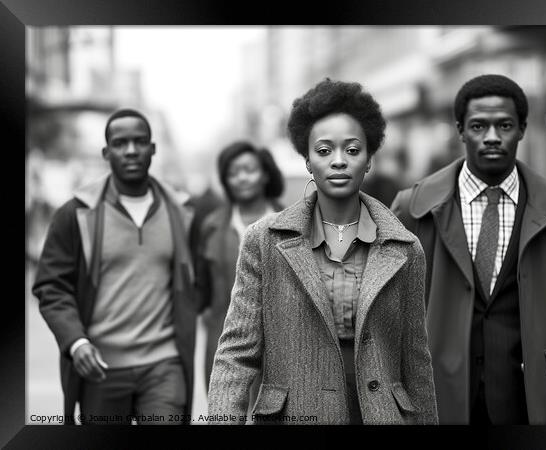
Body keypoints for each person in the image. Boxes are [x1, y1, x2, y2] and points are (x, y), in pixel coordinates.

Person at [208, 79, 437, 425]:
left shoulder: (405, 249)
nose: (339, 162)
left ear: (369, 159)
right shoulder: (264, 241)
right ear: (308, 160)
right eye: (325, 150)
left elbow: (415, 362)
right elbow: (236, 353)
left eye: (352, 150)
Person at [391, 74, 546, 425]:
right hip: (438, 399)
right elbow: (390, 318)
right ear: (460, 130)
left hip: (530, 402)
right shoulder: (413, 209)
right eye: (479, 125)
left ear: (522, 128)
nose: (492, 137)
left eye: (505, 125)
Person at [32, 108, 197, 425]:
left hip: (165, 365)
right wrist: (76, 342)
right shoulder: (76, 213)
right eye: (121, 143)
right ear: (106, 152)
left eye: (140, 141)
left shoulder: (181, 211)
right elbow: (51, 286)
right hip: (100, 368)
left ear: (153, 148)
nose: (131, 150)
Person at [196, 141, 284, 393]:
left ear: (265, 174)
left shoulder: (290, 222)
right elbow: (201, 290)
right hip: (223, 344)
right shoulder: (212, 227)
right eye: (233, 173)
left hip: (279, 348)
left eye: (249, 170)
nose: (242, 178)